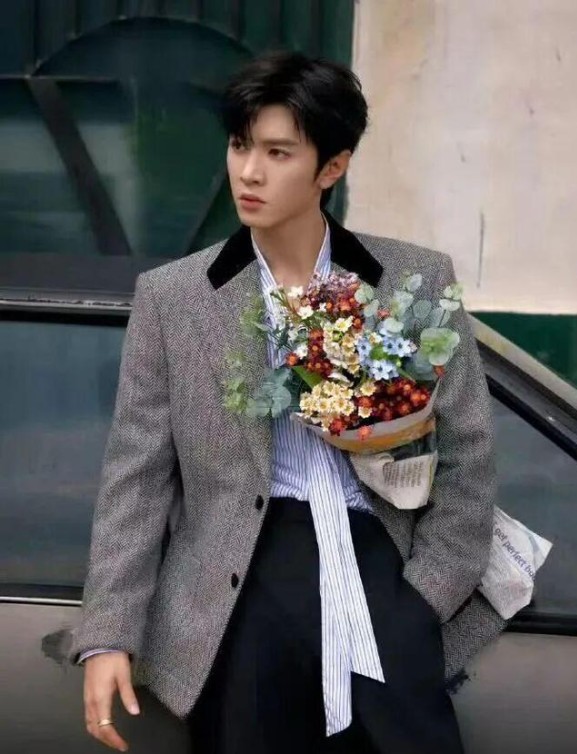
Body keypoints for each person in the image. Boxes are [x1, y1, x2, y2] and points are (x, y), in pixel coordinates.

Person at [68, 51, 507, 753]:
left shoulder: (413, 280)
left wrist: (425, 597)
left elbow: (468, 456)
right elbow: (137, 477)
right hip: (240, 583)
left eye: (278, 153)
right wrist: (108, 633)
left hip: (383, 568)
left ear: (332, 167)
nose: (249, 172)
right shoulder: (174, 298)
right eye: (240, 145)